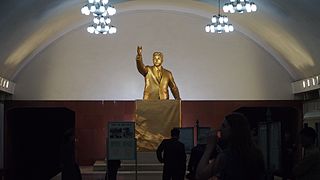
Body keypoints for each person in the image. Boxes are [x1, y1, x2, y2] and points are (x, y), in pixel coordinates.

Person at [196, 113, 265, 180]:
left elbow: (200, 175)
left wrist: (209, 147)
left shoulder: (226, 156)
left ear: (233, 130)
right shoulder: (257, 153)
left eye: (224, 126)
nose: (220, 129)